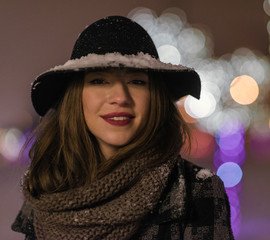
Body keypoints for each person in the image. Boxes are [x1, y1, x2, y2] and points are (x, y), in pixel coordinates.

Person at [12, 16, 234, 240]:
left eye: (136, 81)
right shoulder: (44, 191)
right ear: (76, 98)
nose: (120, 97)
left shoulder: (195, 191)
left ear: (155, 98)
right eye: (99, 81)